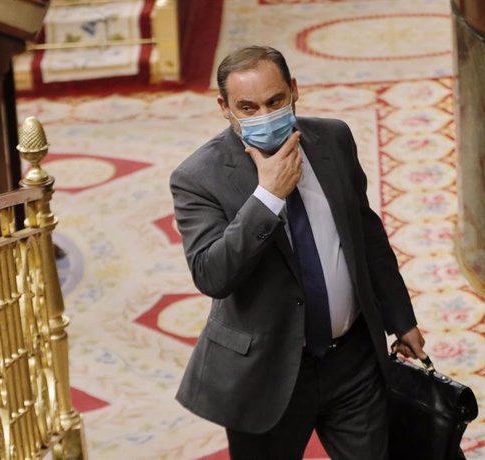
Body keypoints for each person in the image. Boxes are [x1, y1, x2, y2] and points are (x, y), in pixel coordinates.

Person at [170, 45, 426, 459]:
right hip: (267, 373)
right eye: (248, 108)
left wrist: (402, 319)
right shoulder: (198, 177)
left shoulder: (334, 138)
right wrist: (267, 197)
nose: (264, 116)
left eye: (274, 101)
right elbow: (212, 274)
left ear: (293, 90)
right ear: (224, 107)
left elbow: (367, 236)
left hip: (354, 361)